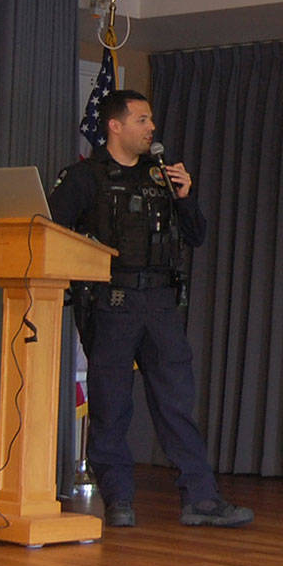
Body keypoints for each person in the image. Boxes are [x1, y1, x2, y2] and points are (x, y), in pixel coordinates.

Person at [49, 90, 252, 529]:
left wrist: (186, 196)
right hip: (111, 303)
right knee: (111, 405)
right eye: (142, 120)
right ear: (115, 126)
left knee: (177, 402)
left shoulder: (162, 176)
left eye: (151, 121)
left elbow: (196, 236)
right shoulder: (86, 179)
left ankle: (200, 498)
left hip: (160, 303)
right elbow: (50, 231)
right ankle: (118, 499)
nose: (151, 128)